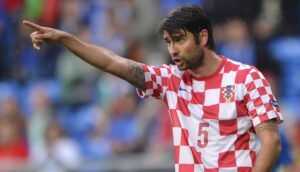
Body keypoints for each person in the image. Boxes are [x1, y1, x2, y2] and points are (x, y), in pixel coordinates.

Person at [23, 4, 283, 172]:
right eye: (169, 42)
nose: (172, 50)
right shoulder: (171, 80)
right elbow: (114, 63)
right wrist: (68, 40)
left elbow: (271, 142)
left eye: (179, 40)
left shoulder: (246, 78)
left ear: (203, 37)